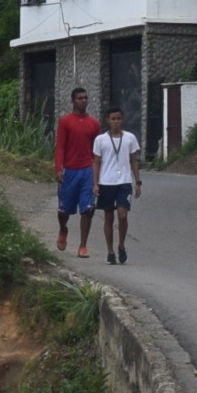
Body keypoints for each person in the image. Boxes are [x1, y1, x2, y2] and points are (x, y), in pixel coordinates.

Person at [92, 105, 145, 265]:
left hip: (124, 183)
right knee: (108, 217)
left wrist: (138, 182)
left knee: (122, 215)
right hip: (106, 182)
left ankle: (121, 244)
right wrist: (95, 184)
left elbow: (134, 161)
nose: (116, 122)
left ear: (122, 120)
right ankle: (110, 251)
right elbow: (96, 163)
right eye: (113, 119)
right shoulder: (100, 140)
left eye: (119, 119)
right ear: (108, 120)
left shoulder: (129, 138)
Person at [53, 86, 101, 256]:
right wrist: (59, 169)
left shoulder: (94, 123)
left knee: (88, 209)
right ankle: (63, 229)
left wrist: (97, 175)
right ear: (73, 100)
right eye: (80, 98)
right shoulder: (66, 122)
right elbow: (60, 148)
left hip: (87, 171)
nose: (83, 101)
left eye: (85, 97)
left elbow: (97, 151)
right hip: (69, 171)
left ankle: (83, 245)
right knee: (64, 210)